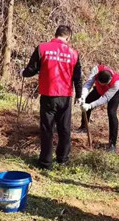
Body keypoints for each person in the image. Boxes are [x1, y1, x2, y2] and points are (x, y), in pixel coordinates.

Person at [22, 25, 82, 170]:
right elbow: (78, 78)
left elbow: (31, 69)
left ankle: (45, 163)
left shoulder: (42, 48)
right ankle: (63, 159)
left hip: (48, 94)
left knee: (47, 128)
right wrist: (79, 96)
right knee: (65, 128)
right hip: (65, 96)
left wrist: (23, 73)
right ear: (68, 37)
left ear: (55, 35)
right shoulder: (74, 53)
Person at [78, 65, 119, 152]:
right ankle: (83, 127)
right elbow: (88, 84)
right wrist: (83, 96)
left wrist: (90, 105)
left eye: (104, 84)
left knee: (112, 113)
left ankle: (112, 144)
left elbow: (105, 98)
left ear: (109, 80)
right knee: (87, 100)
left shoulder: (117, 82)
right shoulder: (96, 70)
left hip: (113, 94)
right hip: (98, 90)